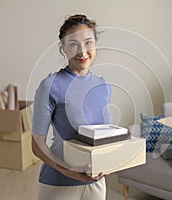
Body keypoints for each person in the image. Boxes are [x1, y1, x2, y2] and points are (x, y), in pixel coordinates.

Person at [31, 14, 111, 200]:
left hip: (97, 184)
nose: (82, 51)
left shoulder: (103, 86)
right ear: (63, 48)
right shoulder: (50, 85)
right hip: (59, 184)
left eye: (88, 42)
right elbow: (37, 145)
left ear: (96, 44)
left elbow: (102, 136)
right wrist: (70, 172)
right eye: (73, 44)